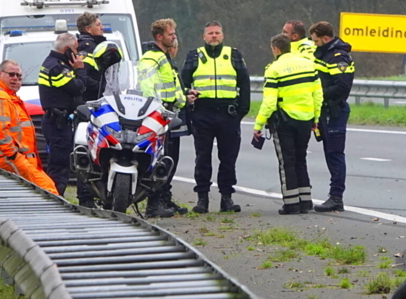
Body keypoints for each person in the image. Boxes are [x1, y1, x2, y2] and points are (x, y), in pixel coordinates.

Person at [181, 21, 250, 214]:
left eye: (217, 33)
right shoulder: (194, 56)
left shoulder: (233, 55)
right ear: (204, 37)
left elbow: (244, 84)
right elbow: (182, 83)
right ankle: (202, 198)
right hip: (203, 112)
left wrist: (240, 112)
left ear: (222, 35)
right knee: (202, 157)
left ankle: (226, 198)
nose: (214, 36)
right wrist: (189, 101)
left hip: (228, 113)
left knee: (228, 158)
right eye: (210, 33)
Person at [253, 34, 323, 215]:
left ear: (275, 49)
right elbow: (318, 94)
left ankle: (291, 203)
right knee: (301, 159)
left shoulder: (274, 69)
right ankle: (305, 202)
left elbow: (269, 102)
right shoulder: (308, 65)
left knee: (287, 162)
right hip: (306, 119)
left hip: (284, 121)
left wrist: (258, 124)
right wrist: (316, 118)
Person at [0, 60, 58, 194]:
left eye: (19, 76)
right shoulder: (0, 98)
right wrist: (14, 155)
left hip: (9, 157)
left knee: (42, 190)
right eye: (11, 74)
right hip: (6, 158)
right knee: (48, 191)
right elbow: (0, 132)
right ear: (0, 74)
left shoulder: (4, 96)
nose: (16, 79)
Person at [138, 18, 192, 218]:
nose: (174, 37)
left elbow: (171, 87)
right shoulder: (152, 58)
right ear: (159, 37)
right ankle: (154, 204)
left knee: (170, 159)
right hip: (160, 116)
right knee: (161, 160)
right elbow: (147, 87)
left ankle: (165, 198)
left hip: (170, 114)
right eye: (171, 34)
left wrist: (184, 98)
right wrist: (157, 111)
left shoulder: (164, 57)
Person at [309, 21, 355, 212]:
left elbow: (342, 86)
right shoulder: (324, 54)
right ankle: (334, 196)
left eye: (316, 40)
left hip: (334, 111)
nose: (314, 44)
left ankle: (336, 197)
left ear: (325, 38)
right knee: (330, 153)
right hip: (324, 110)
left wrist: (319, 94)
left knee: (335, 154)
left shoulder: (338, 57)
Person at [38, 32, 87, 199]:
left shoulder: (54, 63)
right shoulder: (58, 67)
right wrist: (80, 70)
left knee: (59, 162)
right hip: (58, 122)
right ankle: (55, 198)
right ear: (67, 50)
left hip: (57, 120)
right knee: (59, 165)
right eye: (76, 49)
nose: (78, 53)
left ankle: (55, 196)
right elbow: (78, 88)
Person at [76, 12, 124, 102]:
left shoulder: (94, 44)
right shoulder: (87, 47)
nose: (102, 27)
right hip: (93, 99)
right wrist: (103, 87)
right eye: (98, 25)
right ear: (88, 29)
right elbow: (84, 75)